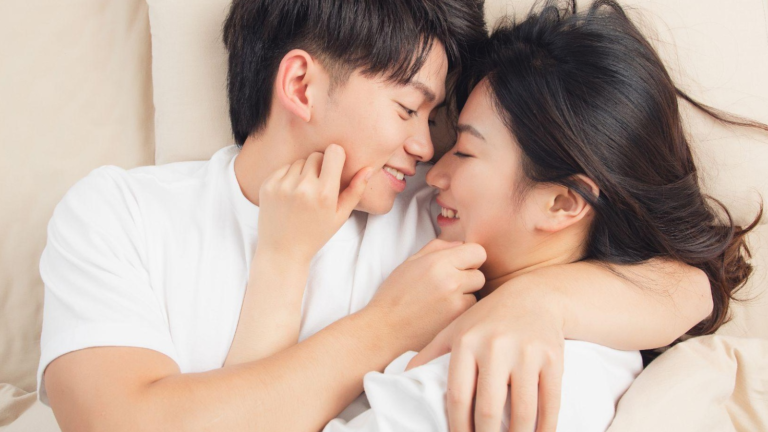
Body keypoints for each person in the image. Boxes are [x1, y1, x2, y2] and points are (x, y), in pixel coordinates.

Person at [38, 1, 714, 431]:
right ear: (300, 84)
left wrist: (538, 302)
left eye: (438, 119)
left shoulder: (443, 212)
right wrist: (377, 324)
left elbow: (685, 283)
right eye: (408, 108)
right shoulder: (120, 213)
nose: (427, 148)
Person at [328, 1, 763, 431]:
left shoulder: (516, 381)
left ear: (562, 203)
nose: (432, 168)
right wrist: (538, 298)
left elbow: (692, 288)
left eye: (464, 151)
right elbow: (690, 287)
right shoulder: (417, 202)